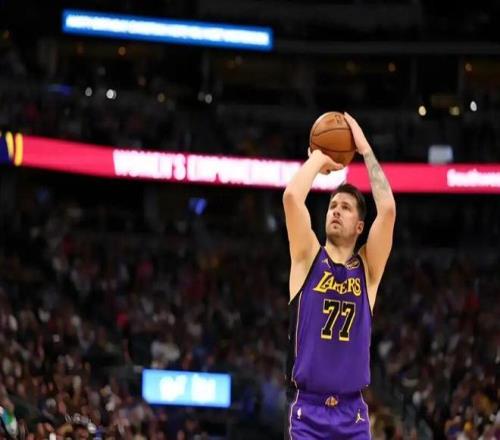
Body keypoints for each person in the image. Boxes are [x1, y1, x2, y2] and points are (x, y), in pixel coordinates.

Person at [282, 113, 396, 439]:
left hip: (352, 412)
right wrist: (319, 158)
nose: (336, 210)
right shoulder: (307, 257)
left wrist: (365, 150)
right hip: (308, 411)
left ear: (360, 227)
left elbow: (388, 210)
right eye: (333, 205)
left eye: (345, 208)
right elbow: (292, 198)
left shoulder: (368, 270)